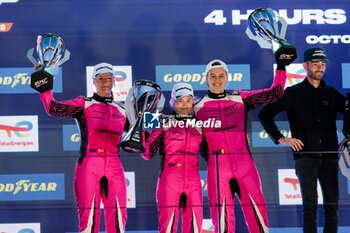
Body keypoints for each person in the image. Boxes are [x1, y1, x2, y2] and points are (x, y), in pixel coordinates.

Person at [194, 53, 293, 232]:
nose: (217, 80)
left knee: (257, 213)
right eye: (213, 76)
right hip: (218, 169)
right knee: (222, 218)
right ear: (206, 79)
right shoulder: (196, 106)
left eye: (221, 75)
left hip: (244, 165)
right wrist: (141, 117)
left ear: (227, 78)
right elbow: (170, 121)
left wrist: (280, 67)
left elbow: (275, 93)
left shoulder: (241, 98)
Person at [259, 47, 347, 233]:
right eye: (315, 64)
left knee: (332, 207)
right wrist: (281, 138)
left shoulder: (331, 93)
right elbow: (265, 114)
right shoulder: (293, 93)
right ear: (305, 65)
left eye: (322, 64)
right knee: (310, 207)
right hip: (305, 158)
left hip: (331, 157)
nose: (320, 68)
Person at [33, 62, 128, 233]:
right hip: (89, 167)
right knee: (89, 224)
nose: (105, 82)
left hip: (115, 168)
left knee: (118, 224)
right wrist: (44, 80)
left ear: (114, 81)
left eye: (109, 78)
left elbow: (141, 139)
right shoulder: (84, 104)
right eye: (101, 79)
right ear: (93, 81)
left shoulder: (123, 110)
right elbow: (53, 108)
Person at [141, 82, 204, 233]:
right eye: (180, 100)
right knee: (167, 228)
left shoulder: (200, 124)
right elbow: (147, 153)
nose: (184, 104)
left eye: (188, 100)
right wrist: (147, 131)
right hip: (169, 179)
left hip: (194, 180)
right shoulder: (162, 120)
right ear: (173, 102)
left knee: (195, 228)